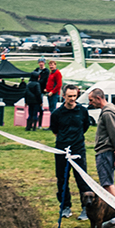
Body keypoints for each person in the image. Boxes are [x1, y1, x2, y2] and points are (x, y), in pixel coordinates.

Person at [50, 84, 91, 219]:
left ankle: (86, 208)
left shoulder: (82, 111)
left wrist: (76, 140)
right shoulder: (57, 113)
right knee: (62, 179)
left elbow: (85, 126)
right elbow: (55, 130)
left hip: (78, 149)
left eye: (74, 96)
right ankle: (65, 206)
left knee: (82, 179)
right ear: (64, 96)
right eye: (69, 96)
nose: (72, 99)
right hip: (62, 150)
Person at [87, 87, 115, 228]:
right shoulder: (109, 111)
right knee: (106, 183)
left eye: (91, 100)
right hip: (107, 151)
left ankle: (113, 218)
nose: (90, 103)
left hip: (105, 152)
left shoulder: (108, 113)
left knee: (107, 185)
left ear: (99, 98)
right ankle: (110, 215)